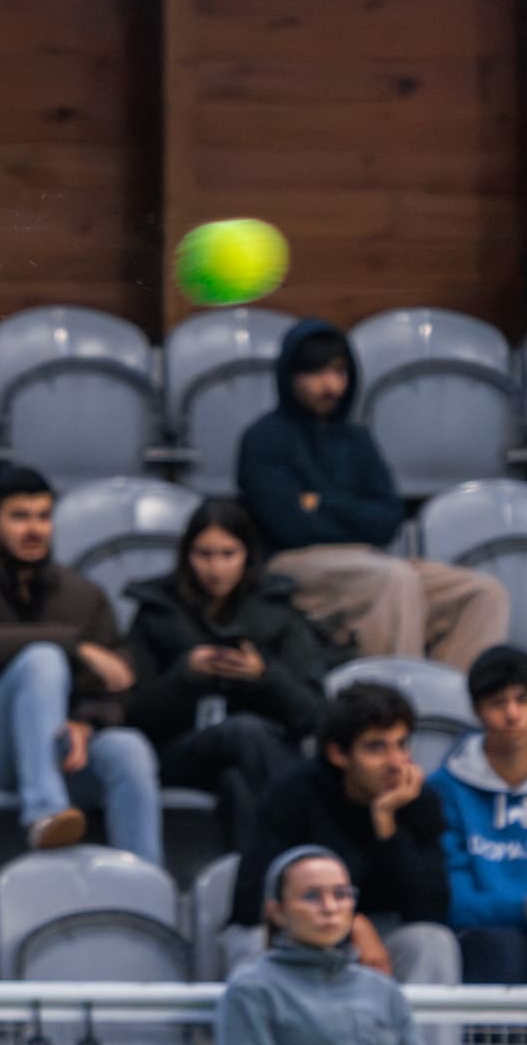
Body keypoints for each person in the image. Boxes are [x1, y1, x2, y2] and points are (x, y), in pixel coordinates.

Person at [0, 466, 163, 865]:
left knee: (126, 748)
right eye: (20, 517)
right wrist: (73, 645)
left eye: (43, 517)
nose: (34, 529)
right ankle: (45, 813)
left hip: (59, 752)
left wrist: (88, 723)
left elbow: (115, 682)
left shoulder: (83, 595)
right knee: (42, 659)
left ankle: (148, 888)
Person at [237, 317, 507, 669]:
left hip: (369, 559)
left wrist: (321, 502)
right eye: (316, 373)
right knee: (394, 580)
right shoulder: (262, 438)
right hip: (294, 565)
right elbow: (290, 526)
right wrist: (354, 514)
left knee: (483, 592)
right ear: (290, 376)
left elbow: (388, 520)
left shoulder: (357, 438)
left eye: (339, 372)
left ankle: (454, 708)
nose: (330, 385)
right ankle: (398, 708)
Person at [124, 498, 342, 852]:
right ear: (186, 555)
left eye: (228, 554)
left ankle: (257, 886)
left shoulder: (277, 609)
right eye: (204, 554)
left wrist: (264, 677)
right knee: (244, 731)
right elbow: (134, 716)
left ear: (247, 555)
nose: (216, 568)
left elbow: (313, 715)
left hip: (255, 756)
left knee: (238, 786)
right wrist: (186, 676)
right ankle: (316, 837)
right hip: (180, 753)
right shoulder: (157, 612)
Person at [226, 682, 459, 985]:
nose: (395, 763)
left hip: (382, 934)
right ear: (338, 754)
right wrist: (350, 925)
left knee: (432, 942)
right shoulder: (291, 794)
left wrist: (387, 824)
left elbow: (430, 909)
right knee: (253, 942)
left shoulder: (417, 800)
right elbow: (252, 900)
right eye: (377, 747)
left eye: (402, 744)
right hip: (298, 929)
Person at [216, 845, 442, 1045]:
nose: (330, 907)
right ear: (277, 911)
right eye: (311, 896)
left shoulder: (383, 989)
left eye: (341, 894)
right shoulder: (253, 989)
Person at [432, 645, 527, 984]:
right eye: (498, 703)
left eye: (522, 699)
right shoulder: (444, 789)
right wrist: (521, 909)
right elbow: (455, 904)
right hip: (486, 937)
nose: (513, 714)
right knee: (500, 947)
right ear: (476, 710)